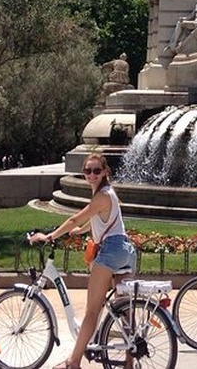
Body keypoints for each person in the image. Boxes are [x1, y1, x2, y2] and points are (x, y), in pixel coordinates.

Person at [28, 153, 137, 369]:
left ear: (105, 172)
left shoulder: (101, 196)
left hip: (111, 251)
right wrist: (79, 232)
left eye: (97, 170)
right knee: (123, 309)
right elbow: (101, 219)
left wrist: (50, 236)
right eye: (88, 171)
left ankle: (73, 362)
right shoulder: (108, 194)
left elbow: (74, 218)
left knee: (92, 311)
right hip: (126, 251)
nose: (92, 174)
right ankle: (129, 360)